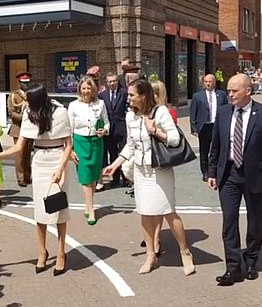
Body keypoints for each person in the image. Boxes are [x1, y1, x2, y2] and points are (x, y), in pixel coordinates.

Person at [103, 80, 195, 276]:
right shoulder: (130, 116)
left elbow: (175, 139)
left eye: (131, 95)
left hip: (159, 171)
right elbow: (130, 145)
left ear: (143, 96)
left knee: (169, 212)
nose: (128, 98)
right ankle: (150, 255)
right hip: (140, 171)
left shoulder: (160, 112)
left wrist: (154, 130)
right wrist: (115, 165)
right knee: (145, 213)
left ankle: (185, 252)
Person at [0, 84, 77, 276]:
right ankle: (42, 251)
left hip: (57, 158)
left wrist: (60, 169)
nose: (26, 104)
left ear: (39, 100)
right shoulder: (30, 112)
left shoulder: (60, 112)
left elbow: (68, 145)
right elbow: (20, 145)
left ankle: (61, 252)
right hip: (39, 161)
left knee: (58, 209)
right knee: (40, 211)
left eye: (30, 100)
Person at [207, 74, 262, 286]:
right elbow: (216, 146)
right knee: (229, 221)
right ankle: (233, 267)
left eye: (234, 91)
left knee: (255, 220)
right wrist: (212, 173)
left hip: (256, 176)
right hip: (228, 174)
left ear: (248, 91)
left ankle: (251, 261)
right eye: (228, 91)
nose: (229, 95)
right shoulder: (223, 113)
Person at [67, 76, 109, 224]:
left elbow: (106, 122)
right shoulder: (73, 106)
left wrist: (104, 130)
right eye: (84, 88)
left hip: (96, 142)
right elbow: (69, 130)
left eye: (88, 88)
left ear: (93, 90)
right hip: (80, 142)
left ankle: (88, 205)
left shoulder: (101, 103)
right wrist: (70, 150)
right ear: (80, 89)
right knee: (85, 176)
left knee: (94, 176)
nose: (86, 91)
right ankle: (91, 210)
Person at [189, 74, 228, 181]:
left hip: (217, 125)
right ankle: (205, 172)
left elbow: (227, 110)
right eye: (206, 82)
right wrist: (194, 128)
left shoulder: (222, 95)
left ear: (214, 82)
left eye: (210, 81)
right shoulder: (198, 96)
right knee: (204, 151)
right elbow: (193, 112)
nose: (208, 84)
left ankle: (216, 171)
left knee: (217, 150)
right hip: (204, 126)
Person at [98, 73, 127, 188]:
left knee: (124, 154)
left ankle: (126, 179)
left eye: (114, 81)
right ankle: (115, 179)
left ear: (118, 81)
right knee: (113, 154)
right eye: (110, 82)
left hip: (122, 128)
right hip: (109, 130)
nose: (112, 83)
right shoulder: (102, 96)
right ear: (107, 83)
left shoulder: (124, 93)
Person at [7, 72, 33, 187]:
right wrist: (24, 118)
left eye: (27, 83)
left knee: (28, 154)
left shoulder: (32, 94)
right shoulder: (14, 95)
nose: (26, 85)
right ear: (19, 83)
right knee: (20, 154)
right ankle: (21, 177)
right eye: (23, 83)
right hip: (18, 127)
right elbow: (11, 113)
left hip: (30, 128)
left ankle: (28, 176)